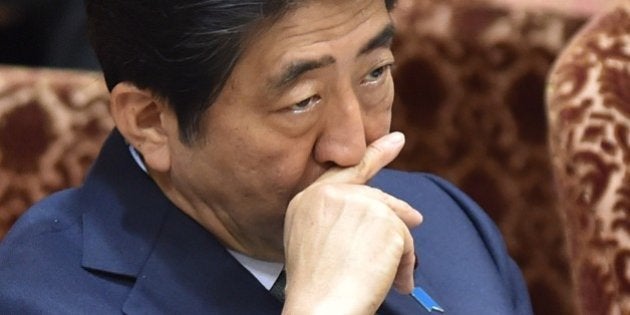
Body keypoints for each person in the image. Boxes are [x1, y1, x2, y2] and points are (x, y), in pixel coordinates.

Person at [0, 0, 533, 313]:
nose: (353, 145)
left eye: (374, 72)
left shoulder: (446, 221)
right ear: (150, 121)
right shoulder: (42, 293)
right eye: (302, 102)